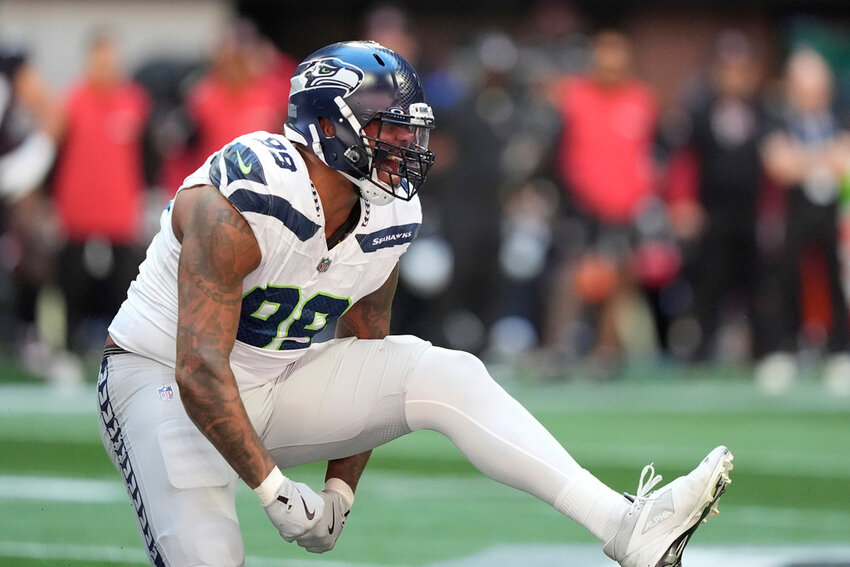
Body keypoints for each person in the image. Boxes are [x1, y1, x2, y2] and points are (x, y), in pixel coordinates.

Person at [97, 40, 733, 567]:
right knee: (211, 560)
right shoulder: (241, 195)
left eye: (409, 127)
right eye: (387, 126)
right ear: (329, 126)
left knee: (443, 371)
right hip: (163, 384)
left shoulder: (388, 209)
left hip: (275, 379)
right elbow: (198, 370)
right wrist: (272, 490)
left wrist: (340, 489)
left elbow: (369, 347)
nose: (406, 142)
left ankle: (625, 525)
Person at [52, 30, 151, 358]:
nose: (105, 67)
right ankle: (68, 348)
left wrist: (147, 196)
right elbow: (55, 154)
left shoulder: (135, 102)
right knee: (72, 282)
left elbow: (148, 155)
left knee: (124, 283)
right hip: (77, 207)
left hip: (120, 208)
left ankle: (121, 348)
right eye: (99, 60)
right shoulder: (71, 101)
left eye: (110, 60)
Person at [759, 47, 850, 395]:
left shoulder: (840, 114)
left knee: (835, 280)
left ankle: (840, 350)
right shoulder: (778, 117)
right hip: (792, 214)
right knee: (785, 278)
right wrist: (822, 159)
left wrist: (804, 160)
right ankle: (786, 349)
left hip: (833, 215)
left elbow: (844, 160)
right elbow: (779, 164)